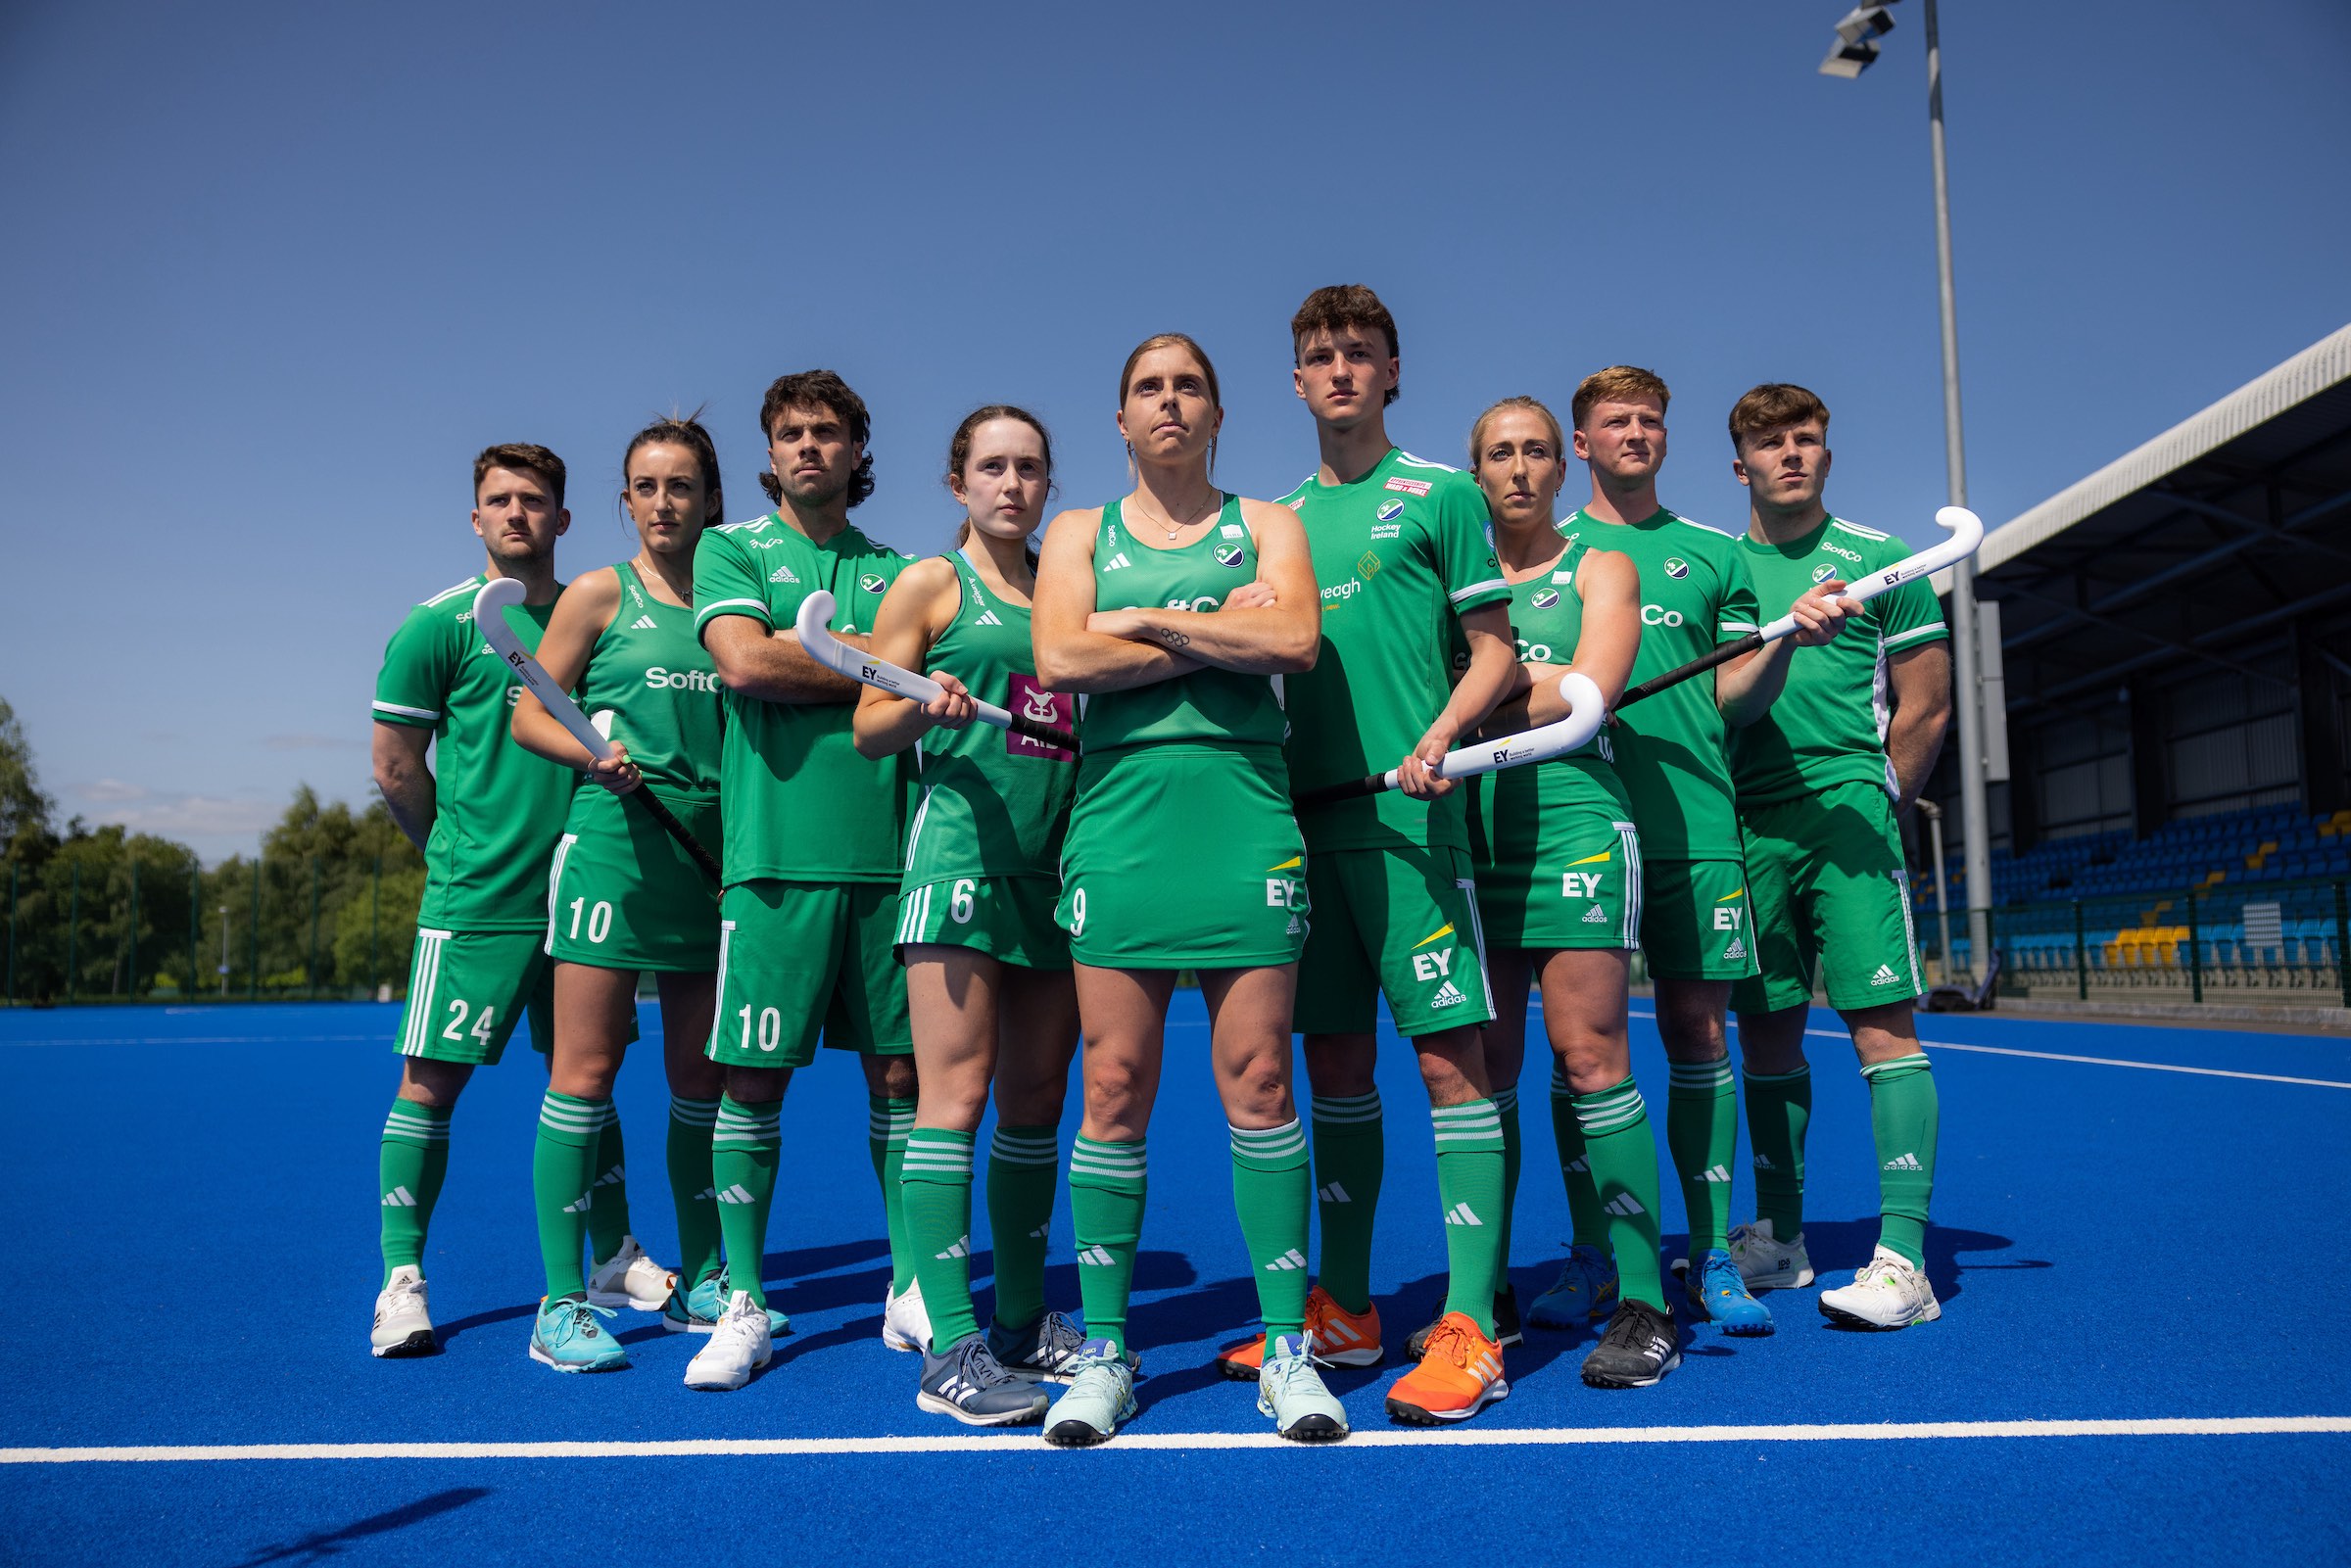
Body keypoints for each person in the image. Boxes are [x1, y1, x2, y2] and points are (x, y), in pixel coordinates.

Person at [1212, 285, 1521, 1427]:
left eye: (1359, 354)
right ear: (1294, 383)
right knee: (1333, 1067)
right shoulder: (1272, 519)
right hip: (1299, 830)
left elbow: (1493, 651)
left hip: (1410, 823)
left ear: (1393, 371)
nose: (1339, 370)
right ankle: (1342, 1307)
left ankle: (1473, 1323)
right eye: (1319, 356)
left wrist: (1441, 733)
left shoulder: (1440, 494)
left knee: (1451, 1065)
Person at [1028, 332, 1344, 1445]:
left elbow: (1297, 639)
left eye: (1188, 386)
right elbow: (1060, 662)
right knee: (1114, 1084)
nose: (1169, 402)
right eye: (1148, 389)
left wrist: (1143, 619)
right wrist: (1221, 630)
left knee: (1259, 1079)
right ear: (1120, 420)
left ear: (1218, 413)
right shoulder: (1076, 532)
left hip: (1243, 819)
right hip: (1119, 826)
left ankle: (1287, 1347)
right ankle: (1109, 1351)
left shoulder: (1271, 524)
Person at [1537, 368, 1848, 1350]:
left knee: (1696, 1033)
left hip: (1697, 829)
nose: (1635, 433)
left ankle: (1711, 1249)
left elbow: (1731, 702)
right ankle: (1597, 1250)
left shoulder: (1714, 555)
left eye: (1650, 420)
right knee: (1578, 1044)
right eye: (1614, 421)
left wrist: (1787, 645)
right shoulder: (1548, 554)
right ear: (1579, 443)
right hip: (1577, 823)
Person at [681, 371, 923, 1392]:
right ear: (769, 452)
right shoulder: (731, 547)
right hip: (774, 862)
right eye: (791, 433)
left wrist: (817, 651)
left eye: (829, 431)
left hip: (895, 860)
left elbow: (906, 669)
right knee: (751, 1081)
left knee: (903, 1078)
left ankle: (911, 1284)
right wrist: (874, 659)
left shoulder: (908, 566)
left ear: (859, 449)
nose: (810, 446)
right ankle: (743, 1300)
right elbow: (743, 663)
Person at [853, 405, 1084, 1424]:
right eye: (991, 465)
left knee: (1037, 1099)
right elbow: (867, 725)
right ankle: (948, 1345)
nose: (1011, 483)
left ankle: (1024, 1321)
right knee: (956, 1094)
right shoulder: (929, 583)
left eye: (1029, 467)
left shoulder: (1068, 587)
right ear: (958, 482)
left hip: (1057, 867)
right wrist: (918, 704)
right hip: (958, 863)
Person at [369, 444, 620, 1356]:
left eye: (535, 500)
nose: (517, 513)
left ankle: (615, 1251)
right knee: (432, 1080)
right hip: (479, 895)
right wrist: (454, 848)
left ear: (563, 518)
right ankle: (402, 1278)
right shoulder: (437, 625)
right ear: (475, 518)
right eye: (499, 501)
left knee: (585, 1079)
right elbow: (396, 767)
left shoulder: (600, 614)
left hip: (589, 883)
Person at [506, 416, 737, 1371]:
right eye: (645, 486)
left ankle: (707, 1277)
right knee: (585, 1074)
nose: (662, 502)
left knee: (701, 1082)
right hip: (611, 854)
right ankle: (561, 1302)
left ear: (713, 499)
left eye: (681, 485)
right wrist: (594, 756)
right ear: (626, 500)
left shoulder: (738, 599)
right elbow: (531, 713)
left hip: (707, 855)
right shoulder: (599, 594)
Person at [1721, 383, 1952, 1328]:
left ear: (1827, 453)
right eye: (1769, 442)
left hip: (1848, 815)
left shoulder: (1885, 561)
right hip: (1745, 821)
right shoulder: (1716, 566)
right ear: (1739, 463)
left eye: (1806, 439)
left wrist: (1880, 793)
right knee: (1766, 1031)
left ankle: (1904, 1259)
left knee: (1882, 1029)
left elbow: (1926, 704)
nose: (1790, 455)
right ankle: (1779, 1237)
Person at [1463, 396, 1680, 1387]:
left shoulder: (1603, 566)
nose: (1518, 468)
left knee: (1590, 1052)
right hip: (1468, 830)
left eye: (1537, 451)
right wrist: (1524, 673)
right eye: (1500, 453)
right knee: (1486, 1068)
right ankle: (1488, 1293)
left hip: (1575, 828)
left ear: (1563, 465)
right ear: (1476, 470)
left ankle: (1644, 1299)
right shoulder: (1452, 572)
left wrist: (1487, 676)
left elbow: (1595, 686)